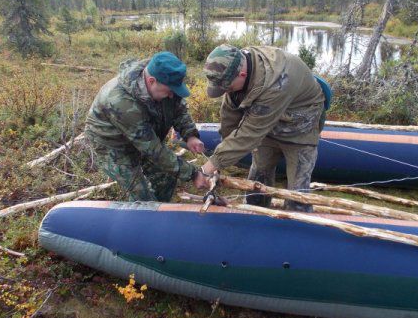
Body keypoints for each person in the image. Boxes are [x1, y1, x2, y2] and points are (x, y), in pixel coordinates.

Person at [199, 44, 326, 212]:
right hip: (267, 126)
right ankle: (254, 215)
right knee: (258, 176)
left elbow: (250, 133)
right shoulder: (236, 63)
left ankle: (296, 226)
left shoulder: (277, 82)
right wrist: (222, 155)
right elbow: (230, 111)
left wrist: (209, 166)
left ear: (242, 74)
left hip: (300, 129)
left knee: (298, 188)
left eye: (227, 87)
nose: (226, 91)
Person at [85, 51, 209, 202]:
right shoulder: (120, 101)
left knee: (166, 176)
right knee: (141, 195)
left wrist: (190, 135)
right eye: (169, 91)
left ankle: (159, 212)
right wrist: (193, 174)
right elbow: (153, 150)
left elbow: (177, 108)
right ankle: (144, 216)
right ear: (151, 81)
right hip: (112, 145)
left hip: (144, 136)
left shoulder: (164, 80)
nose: (171, 95)